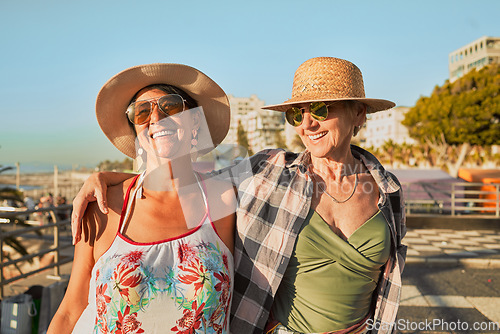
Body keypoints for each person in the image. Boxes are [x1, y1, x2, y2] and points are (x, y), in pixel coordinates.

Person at [71, 57, 407, 333]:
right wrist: (108, 179)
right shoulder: (270, 171)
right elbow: (180, 180)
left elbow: (386, 285)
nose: (308, 123)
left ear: (359, 113)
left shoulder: (388, 190)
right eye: (297, 113)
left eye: (320, 109)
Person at [48, 63, 236, 333]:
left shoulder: (225, 199)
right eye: (142, 112)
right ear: (136, 130)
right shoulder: (103, 206)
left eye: (170, 106)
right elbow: (70, 310)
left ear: (195, 119)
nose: (156, 119)